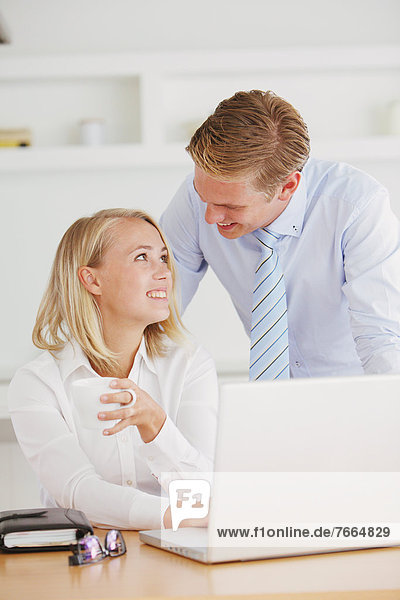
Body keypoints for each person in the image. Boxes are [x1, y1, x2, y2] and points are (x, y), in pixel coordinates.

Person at [160, 89, 400, 378]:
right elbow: (156, 308)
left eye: (230, 205)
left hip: (354, 387)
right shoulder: (193, 198)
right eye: (205, 198)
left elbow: (382, 339)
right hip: (266, 398)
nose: (210, 216)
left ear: (287, 187)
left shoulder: (356, 207)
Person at [8, 209, 218, 530]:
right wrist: (178, 515)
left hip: (177, 552)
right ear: (92, 280)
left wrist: (156, 425)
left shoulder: (190, 364)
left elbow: (204, 490)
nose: (164, 272)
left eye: (163, 257)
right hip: (82, 563)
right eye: (142, 257)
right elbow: (77, 492)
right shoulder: (37, 384)